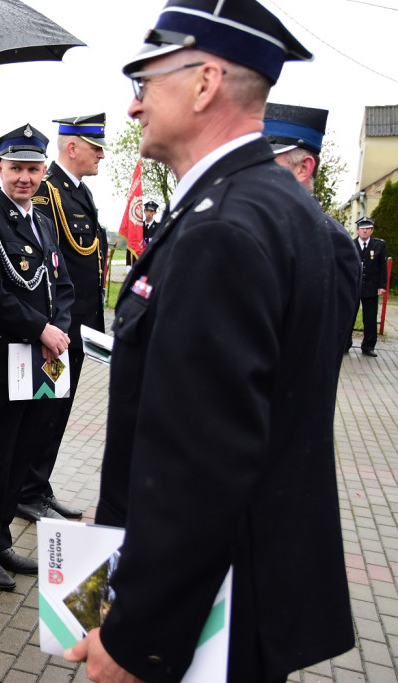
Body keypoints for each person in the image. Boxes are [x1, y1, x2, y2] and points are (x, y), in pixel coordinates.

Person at [66, 1, 355, 681]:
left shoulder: (223, 228)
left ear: (205, 83)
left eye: (145, 82)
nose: (133, 108)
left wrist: (136, 637)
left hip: (210, 616)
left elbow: (202, 463)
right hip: (249, 589)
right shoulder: (282, 210)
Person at [0, 124, 74, 591]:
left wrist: (58, 329)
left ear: (44, 171)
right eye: (16, 169)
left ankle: (0, 536)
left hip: (41, 357)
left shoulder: (42, 222)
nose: (24, 178)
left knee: (22, 452)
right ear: (0, 169)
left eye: (32, 169)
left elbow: (61, 285)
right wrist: (41, 328)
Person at [17, 113, 110, 523]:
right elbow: (43, 266)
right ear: (72, 146)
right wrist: (50, 325)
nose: (102, 155)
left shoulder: (79, 193)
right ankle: (26, 491)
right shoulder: (48, 192)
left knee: (59, 410)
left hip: (80, 323)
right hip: (59, 326)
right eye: (96, 147)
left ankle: (39, 485)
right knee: (44, 410)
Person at [263, 101, 361, 366]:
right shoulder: (267, 227)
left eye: (267, 161)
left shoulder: (330, 240)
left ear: (303, 168)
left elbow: (321, 351)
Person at [353, 216, 388, 356]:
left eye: (368, 228)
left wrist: (382, 285)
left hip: (371, 287)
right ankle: (345, 344)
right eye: (362, 229)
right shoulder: (351, 244)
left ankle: (368, 346)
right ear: (357, 230)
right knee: (349, 316)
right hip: (354, 287)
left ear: (372, 230)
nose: (365, 231)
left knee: (370, 318)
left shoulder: (378, 245)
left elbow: (382, 267)